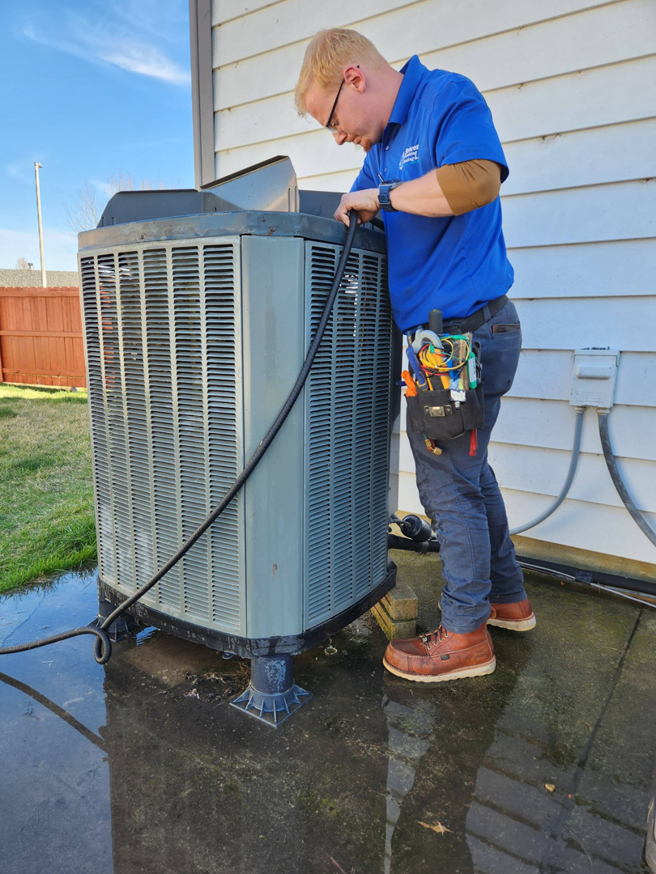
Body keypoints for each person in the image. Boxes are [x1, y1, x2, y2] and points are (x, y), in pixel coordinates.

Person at [295, 28, 535, 684]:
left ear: (355, 77)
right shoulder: (380, 151)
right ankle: (508, 601)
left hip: (462, 338)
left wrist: (386, 197)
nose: (338, 136)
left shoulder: (445, 98)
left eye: (333, 120)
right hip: (441, 340)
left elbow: (477, 180)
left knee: (446, 485)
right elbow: (356, 211)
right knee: (470, 475)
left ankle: (464, 635)